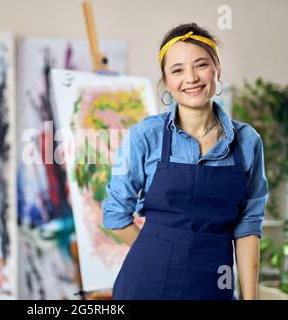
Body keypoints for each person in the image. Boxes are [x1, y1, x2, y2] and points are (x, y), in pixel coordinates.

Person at [102, 23, 269, 300]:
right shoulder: (146, 135)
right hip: (147, 285)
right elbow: (115, 214)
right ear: (166, 81)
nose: (190, 78)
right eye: (177, 70)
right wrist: (158, 253)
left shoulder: (247, 141)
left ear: (217, 68)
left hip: (214, 286)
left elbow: (248, 225)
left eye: (201, 65)